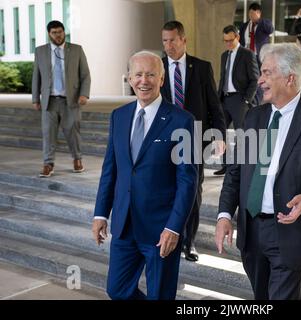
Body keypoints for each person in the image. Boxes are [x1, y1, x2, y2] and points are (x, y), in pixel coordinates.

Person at [215, 43, 301, 300]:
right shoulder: (253, 117)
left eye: (266, 73)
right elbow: (235, 173)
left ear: (290, 78)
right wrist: (224, 215)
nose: (259, 80)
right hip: (252, 233)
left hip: (291, 236)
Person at [92, 51, 198, 300]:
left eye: (151, 74)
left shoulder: (182, 121)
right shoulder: (119, 116)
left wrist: (174, 227)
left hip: (161, 229)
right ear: (129, 79)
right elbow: (111, 170)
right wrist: (100, 213)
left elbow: (187, 179)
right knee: (117, 290)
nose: (144, 81)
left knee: (160, 294)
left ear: (162, 79)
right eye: (138, 74)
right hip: (124, 224)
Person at [160, 21, 226, 262]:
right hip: (164, 143)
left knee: (192, 192)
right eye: (164, 41)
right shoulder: (156, 68)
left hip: (195, 141)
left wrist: (219, 134)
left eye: (172, 40)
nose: (168, 46)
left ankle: (189, 242)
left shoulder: (201, 67)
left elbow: (214, 106)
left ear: (183, 40)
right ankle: (167, 235)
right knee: (166, 190)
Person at [32, 20, 91, 178]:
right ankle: (48, 164)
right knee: (48, 133)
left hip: (70, 100)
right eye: (54, 33)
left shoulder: (76, 50)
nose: (58, 35)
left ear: (64, 32)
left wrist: (84, 94)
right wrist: (35, 98)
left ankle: (77, 159)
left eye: (60, 32)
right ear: (49, 34)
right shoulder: (40, 51)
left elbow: (85, 74)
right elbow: (36, 76)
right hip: (49, 101)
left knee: (73, 132)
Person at [213, 25, 259, 176]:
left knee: (241, 135)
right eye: (225, 40)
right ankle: (226, 165)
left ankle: (238, 167)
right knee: (220, 132)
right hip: (224, 99)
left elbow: (255, 79)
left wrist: (247, 100)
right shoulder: (223, 55)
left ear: (238, 38)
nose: (227, 43)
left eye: (230, 40)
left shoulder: (247, 54)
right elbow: (223, 78)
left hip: (240, 99)